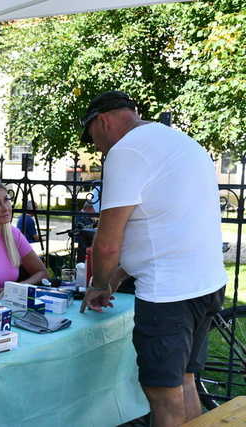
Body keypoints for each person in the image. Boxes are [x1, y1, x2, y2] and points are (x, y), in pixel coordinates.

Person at [79, 91, 227, 426]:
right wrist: (117, 277)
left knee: (163, 395)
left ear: (102, 122)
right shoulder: (180, 142)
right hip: (206, 283)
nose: (98, 148)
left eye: (94, 139)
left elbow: (107, 240)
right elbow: (163, 226)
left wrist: (99, 283)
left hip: (168, 295)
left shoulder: (126, 151)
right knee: (185, 380)